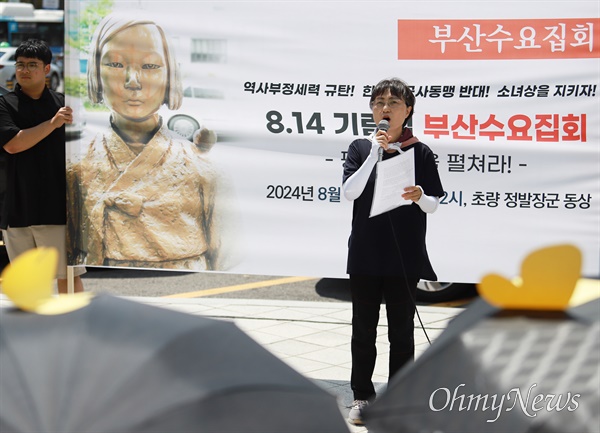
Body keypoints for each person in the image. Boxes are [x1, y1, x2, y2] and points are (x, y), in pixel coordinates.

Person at [67, 15, 236, 271]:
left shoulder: (203, 167)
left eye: (150, 66)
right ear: (96, 73)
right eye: (115, 63)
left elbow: (228, 258)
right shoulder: (76, 165)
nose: (133, 81)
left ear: (170, 74)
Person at [342, 78, 444, 425]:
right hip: (366, 253)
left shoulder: (421, 151)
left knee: (401, 330)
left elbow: (433, 205)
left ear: (408, 110)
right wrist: (374, 152)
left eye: (393, 103)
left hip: (404, 254)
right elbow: (349, 193)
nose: (385, 109)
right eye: (379, 103)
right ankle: (362, 398)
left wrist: (420, 196)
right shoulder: (359, 147)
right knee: (363, 329)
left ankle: (402, 394)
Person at [0, 39, 85, 293]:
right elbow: (13, 144)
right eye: (20, 65)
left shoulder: (64, 104)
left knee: (68, 278)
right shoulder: (4, 104)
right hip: (17, 209)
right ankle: (33, 333)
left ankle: (77, 331)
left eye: (32, 65)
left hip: (59, 209)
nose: (24, 70)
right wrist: (53, 124)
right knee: (28, 286)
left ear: (47, 69)